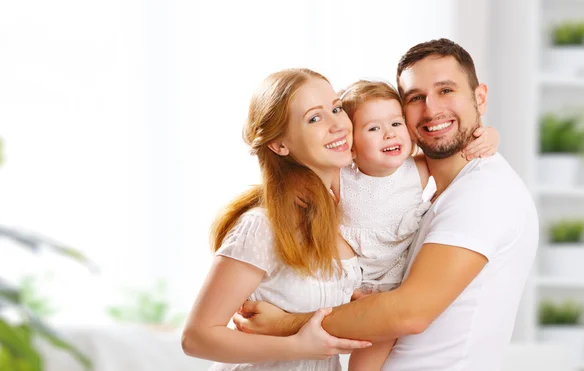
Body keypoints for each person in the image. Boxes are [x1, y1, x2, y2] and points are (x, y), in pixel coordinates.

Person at [233, 38, 539, 371]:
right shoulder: (440, 189)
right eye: (416, 98)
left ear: (479, 98)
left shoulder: (483, 193)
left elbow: (408, 313)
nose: (431, 109)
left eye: (446, 90)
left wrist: (286, 325)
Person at [180, 68, 373, 371]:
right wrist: (295, 346)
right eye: (314, 118)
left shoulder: (348, 213)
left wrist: (473, 144)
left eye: (336, 108)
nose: (337, 124)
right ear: (279, 145)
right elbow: (196, 338)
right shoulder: (262, 226)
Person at [333, 79, 499, 370]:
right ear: (351, 146)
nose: (389, 134)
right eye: (373, 128)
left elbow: (464, 148)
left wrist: (492, 136)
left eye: (396, 124)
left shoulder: (417, 169)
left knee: (367, 359)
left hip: (391, 290)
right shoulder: (341, 177)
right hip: (347, 279)